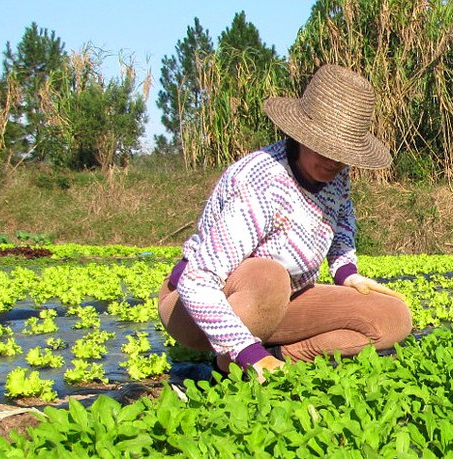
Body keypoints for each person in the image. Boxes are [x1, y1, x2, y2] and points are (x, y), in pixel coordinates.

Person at [157, 64, 413, 383]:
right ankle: (236, 356)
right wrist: (248, 352)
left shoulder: (334, 174)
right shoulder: (261, 184)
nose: (333, 160)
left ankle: (274, 358)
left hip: (283, 301)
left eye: (343, 152)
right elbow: (197, 280)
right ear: (301, 134)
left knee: (392, 317)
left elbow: (342, 217)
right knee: (268, 276)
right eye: (325, 145)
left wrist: (347, 273)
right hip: (195, 304)